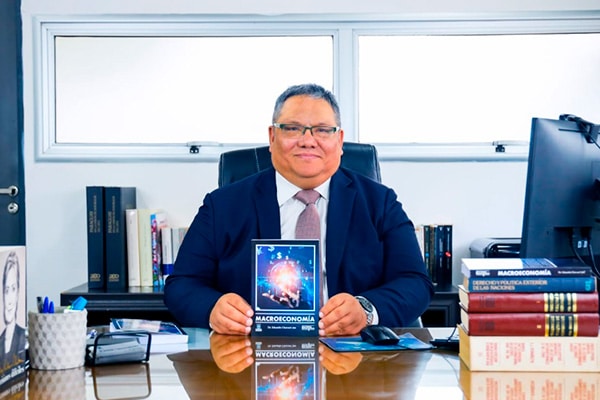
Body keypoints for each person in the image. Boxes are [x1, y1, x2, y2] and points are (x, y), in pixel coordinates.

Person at [164, 83, 433, 336]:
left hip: (353, 351)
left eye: (322, 130)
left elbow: (415, 282)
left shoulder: (380, 202)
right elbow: (182, 285)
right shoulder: (222, 205)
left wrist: (366, 309)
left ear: (339, 140)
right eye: (292, 128)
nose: (308, 141)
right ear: (272, 137)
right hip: (250, 351)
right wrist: (213, 309)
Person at [0, 251, 26, 371]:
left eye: (13, 289)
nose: (9, 300)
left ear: (18, 293)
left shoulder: (22, 337)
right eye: (6, 290)